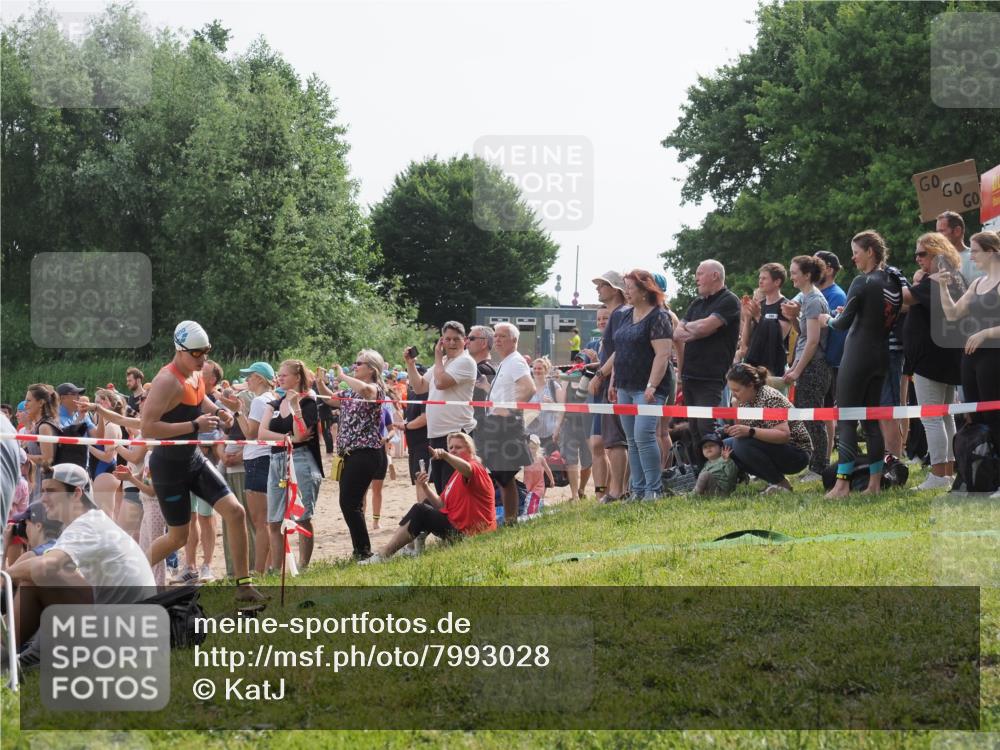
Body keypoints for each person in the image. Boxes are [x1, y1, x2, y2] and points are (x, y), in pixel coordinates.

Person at [140, 320, 263, 601]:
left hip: (192, 460)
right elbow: (147, 428)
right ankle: (130, 574)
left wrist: (219, 412)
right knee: (177, 538)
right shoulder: (166, 381)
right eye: (197, 353)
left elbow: (200, 400)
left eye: (206, 352)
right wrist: (194, 426)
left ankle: (243, 587)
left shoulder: (196, 375)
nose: (203, 358)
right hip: (168, 466)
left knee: (236, 512)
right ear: (180, 350)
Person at [6, 464, 156, 648]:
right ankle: (13, 656)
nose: (42, 498)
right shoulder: (92, 521)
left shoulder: (86, 526)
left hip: (124, 633)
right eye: (43, 490)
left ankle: (5, 659)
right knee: (40, 573)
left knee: (37, 576)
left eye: (51, 491)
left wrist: (7, 574)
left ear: (77, 493)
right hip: (133, 626)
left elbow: (44, 568)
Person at [818, 231, 903, 498]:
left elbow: (842, 324)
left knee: (846, 420)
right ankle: (874, 484)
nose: (852, 257)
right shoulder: (892, 281)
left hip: (857, 355)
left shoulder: (862, 281)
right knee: (871, 423)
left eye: (856, 251)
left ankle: (842, 484)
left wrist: (828, 319)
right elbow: (875, 316)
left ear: (869, 251)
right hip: (881, 357)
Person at [361, 432, 497, 563]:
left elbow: (468, 469)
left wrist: (445, 455)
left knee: (421, 509)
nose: (453, 450)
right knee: (425, 504)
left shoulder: (476, 467)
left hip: (472, 534)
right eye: (451, 447)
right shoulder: (456, 475)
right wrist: (425, 486)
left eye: (458, 447)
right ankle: (412, 547)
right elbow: (440, 505)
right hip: (460, 529)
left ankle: (385, 554)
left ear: (471, 451)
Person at [604, 269, 674, 500]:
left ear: (645, 290)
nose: (626, 292)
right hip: (624, 385)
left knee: (644, 435)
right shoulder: (624, 315)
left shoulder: (659, 317)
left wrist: (652, 386)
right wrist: (613, 382)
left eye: (630, 288)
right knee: (632, 440)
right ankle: (638, 489)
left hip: (649, 388)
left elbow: (662, 355)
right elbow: (619, 351)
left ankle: (654, 489)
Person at [903, 232, 964, 490]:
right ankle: (946, 471)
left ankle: (939, 474)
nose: (918, 259)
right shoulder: (954, 277)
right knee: (945, 416)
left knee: (931, 417)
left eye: (922, 254)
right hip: (946, 358)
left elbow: (905, 299)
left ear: (938, 254)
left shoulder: (938, 278)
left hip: (931, 359)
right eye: (916, 254)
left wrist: (894, 281)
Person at [317, 350, 390, 560]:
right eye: (354, 363)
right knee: (350, 503)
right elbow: (331, 400)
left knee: (349, 503)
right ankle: (361, 550)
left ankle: (363, 551)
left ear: (372, 369)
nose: (355, 366)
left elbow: (367, 391)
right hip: (350, 454)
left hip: (366, 452)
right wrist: (321, 381)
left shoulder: (375, 389)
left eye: (359, 364)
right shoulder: (351, 392)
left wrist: (342, 377)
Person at [933, 230, 1000, 452]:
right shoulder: (977, 282)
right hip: (971, 357)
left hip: (993, 356)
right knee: (975, 415)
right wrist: (942, 286)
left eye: (976, 251)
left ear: (992, 252)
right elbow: (952, 313)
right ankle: (983, 469)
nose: (971, 256)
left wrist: (985, 333)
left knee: (994, 415)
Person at [673, 260, 741, 469]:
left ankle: (722, 471)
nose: (696, 278)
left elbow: (705, 328)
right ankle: (700, 473)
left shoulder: (729, 300)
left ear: (715, 276)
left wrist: (693, 328)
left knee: (707, 428)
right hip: (690, 375)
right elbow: (677, 333)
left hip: (711, 375)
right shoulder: (697, 303)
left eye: (700, 273)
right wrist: (698, 327)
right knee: (693, 429)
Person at [258, 359, 323, 571]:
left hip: (301, 460)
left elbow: (303, 434)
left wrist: (295, 411)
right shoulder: (274, 404)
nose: (280, 378)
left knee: (303, 517)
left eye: (284, 375)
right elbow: (262, 434)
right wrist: (289, 437)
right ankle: (277, 569)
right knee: (274, 521)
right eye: (279, 374)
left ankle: (303, 567)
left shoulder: (308, 402)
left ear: (297, 377)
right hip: (277, 460)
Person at [405, 322, 478, 493]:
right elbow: (420, 386)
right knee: (440, 487)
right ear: (442, 341)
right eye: (448, 339)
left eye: (456, 339)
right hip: (437, 434)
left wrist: (437, 356)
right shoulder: (444, 362)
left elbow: (440, 383)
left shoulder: (466, 361)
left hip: (456, 433)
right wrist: (410, 364)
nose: (451, 343)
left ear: (465, 340)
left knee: (452, 487)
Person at [722, 363, 813, 493]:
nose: (734, 395)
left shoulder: (769, 398)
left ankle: (781, 484)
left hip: (797, 453)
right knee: (725, 445)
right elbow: (744, 430)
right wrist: (733, 429)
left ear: (750, 386)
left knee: (741, 444)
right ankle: (773, 480)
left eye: (736, 390)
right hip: (775, 447)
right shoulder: (745, 399)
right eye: (731, 390)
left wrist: (750, 431)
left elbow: (783, 435)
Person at [480, 322, 536, 524]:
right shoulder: (506, 362)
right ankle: (510, 519)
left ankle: (511, 520)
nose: (497, 340)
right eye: (495, 336)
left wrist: (510, 408)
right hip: (499, 423)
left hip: (507, 425)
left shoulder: (515, 361)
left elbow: (529, 388)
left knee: (505, 475)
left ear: (514, 340)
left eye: (502, 336)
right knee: (501, 474)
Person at [782, 255, 831, 481]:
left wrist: (797, 371)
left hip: (814, 366)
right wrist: (793, 318)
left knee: (813, 418)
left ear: (807, 275)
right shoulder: (806, 298)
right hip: (807, 364)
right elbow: (802, 334)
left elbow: (812, 341)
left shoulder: (813, 300)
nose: (791, 277)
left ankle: (819, 467)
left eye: (793, 272)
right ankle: (816, 464)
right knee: (807, 415)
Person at [587, 271, 630, 502]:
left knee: (615, 441)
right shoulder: (619, 313)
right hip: (612, 382)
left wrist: (600, 375)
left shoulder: (620, 313)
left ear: (615, 288)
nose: (598, 289)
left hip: (615, 383)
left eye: (602, 285)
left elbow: (619, 351)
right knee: (615, 440)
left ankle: (617, 491)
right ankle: (619, 490)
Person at [230, 362, 276, 573]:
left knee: (260, 522)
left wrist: (237, 413)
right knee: (267, 520)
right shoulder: (272, 398)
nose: (247, 380)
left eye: (249, 376)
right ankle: (266, 568)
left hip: (257, 460)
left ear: (259, 378)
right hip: (267, 459)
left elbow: (250, 433)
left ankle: (259, 570)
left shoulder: (259, 401)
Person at [815, 250, 848, 465]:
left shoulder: (836, 295)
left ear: (828, 268)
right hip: (819, 361)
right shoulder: (813, 294)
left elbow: (836, 332)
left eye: (816, 264)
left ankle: (825, 458)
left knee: (827, 411)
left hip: (832, 362)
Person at [737, 263, 790, 376]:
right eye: (760, 278)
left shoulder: (785, 305)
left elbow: (779, 336)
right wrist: (746, 318)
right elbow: (746, 342)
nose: (760, 281)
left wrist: (757, 317)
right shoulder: (759, 305)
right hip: (752, 365)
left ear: (777, 282)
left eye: (764, 278)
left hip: (772, 367)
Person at [21, 384, 59, 502]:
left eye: (28, 400)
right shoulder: (37, 425)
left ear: (41, 402)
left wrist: (22, 456)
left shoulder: (44, 426)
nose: (25, 404)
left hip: (44, 482)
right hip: (36, 480)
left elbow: (47, 459)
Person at [525, 357, 562, 452]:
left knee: (550, 464)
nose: (537, 370)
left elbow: (563, 409)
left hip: (550, 435)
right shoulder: (528, 387)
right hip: (531, 436)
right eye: (535, 368)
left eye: (540, 368)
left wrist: (552, 404)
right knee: (532, 465)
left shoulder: (554, 386)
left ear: (546, 370)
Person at [937, 210, 984, 283]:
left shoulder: (978, 258)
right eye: (937, 232)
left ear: (957, 231)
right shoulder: (938, 262)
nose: (937, 237)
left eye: (942, 231)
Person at [522, 433, 555, 508]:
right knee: (527, 499)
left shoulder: (541, 459)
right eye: (529, 448)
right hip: (528, 483)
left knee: (536, 498)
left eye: (533, 448)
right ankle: (537, 506)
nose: (531, 450)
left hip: (538, 484)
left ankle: (540, 504)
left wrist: (552, 480)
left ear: (537, 448)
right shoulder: (526, 458)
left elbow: (547, 469)